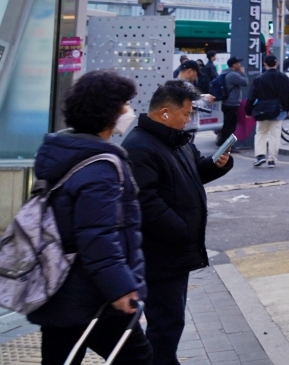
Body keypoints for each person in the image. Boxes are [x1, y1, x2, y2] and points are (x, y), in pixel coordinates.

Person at [29, 71, 152, 365]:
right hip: (93, 294)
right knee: (140, 359)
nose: (128, 110)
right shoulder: (101, 167)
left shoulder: (64, 150)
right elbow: (98, 237)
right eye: (124, 104)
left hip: (58, 286)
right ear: (107, 112)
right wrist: (121, 287)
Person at [123, 80, 233, 365]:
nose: (189, 119)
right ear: (165, 113)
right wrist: (182, 230)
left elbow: (195, 172)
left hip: (177, 251)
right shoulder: (139, 147)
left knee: (171, 321)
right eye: (185, 114)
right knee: (165, 323)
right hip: (159, 254)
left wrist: (217, 163)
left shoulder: (178, 140)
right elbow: (145, 202)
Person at [246, 54, 289, 167]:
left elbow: (251, 96)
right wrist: (287, 109)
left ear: (265, 64)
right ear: (276, 63)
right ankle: (272, 159)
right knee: (274, 135)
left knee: (261, 133)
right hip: (279, 109)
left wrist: (248, 111)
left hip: (262, 110)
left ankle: (260, 156)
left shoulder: (259, 79)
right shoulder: (284, 78)